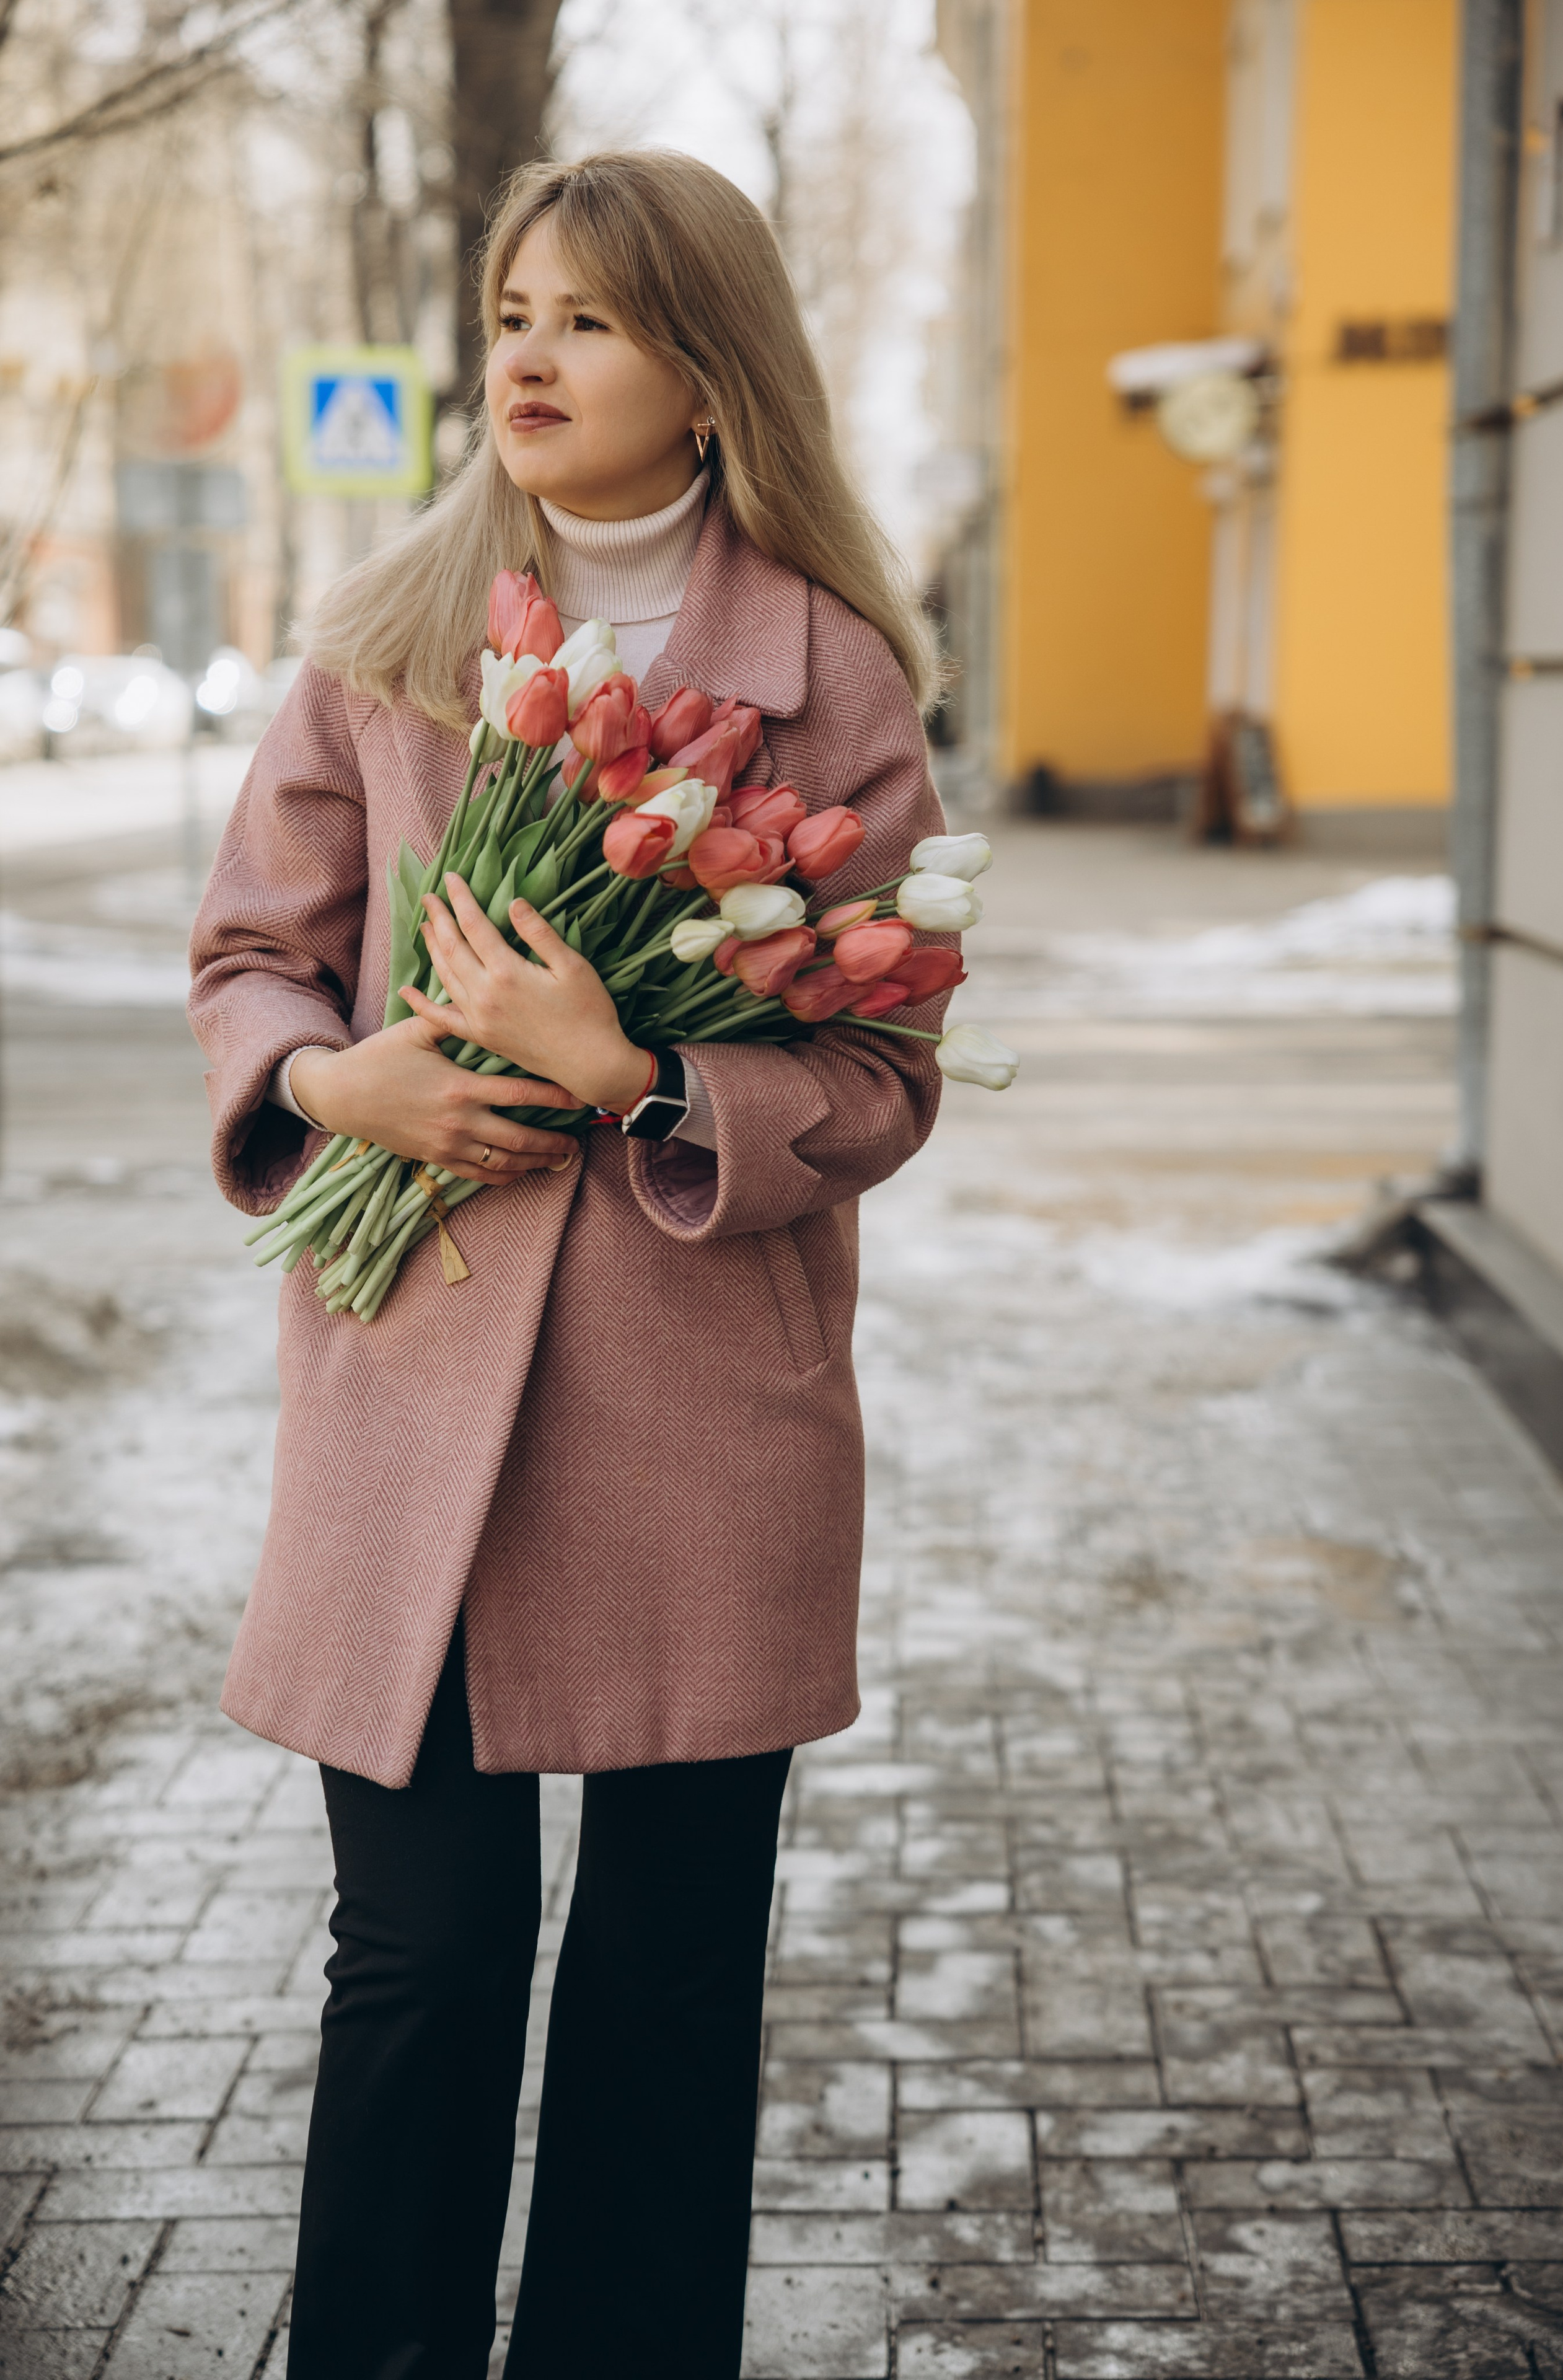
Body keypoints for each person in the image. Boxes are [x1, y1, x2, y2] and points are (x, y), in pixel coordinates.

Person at [188, 148, 949, 2380]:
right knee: (418, 1963)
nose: (528, 354)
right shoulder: (386, 641)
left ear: (708, 374)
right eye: (514, 310)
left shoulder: (834, 684)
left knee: (664, 1974)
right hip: (412, 1403)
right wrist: (340, 1093)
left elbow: (886, 1073)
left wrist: (637, 1073)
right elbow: (254, 953)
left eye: (590, 320)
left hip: (699, 1418)